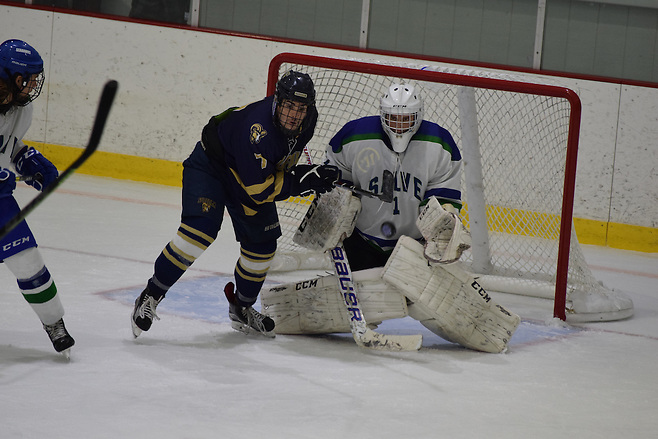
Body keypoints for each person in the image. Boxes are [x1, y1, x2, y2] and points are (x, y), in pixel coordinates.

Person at [131, 70, 341, 338]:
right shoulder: (257, 130)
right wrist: (302, 181)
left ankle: (241, 308)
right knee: (199, 233)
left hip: (250, 174)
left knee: (262, 248)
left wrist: (305, 177)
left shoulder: (308, 121)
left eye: (300, 108)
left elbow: (279, 162)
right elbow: (259, 190)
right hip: (212, 167)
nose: (293, 114)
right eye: (288, 105)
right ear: (277, 101)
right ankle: (151, 294)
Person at [327, 83, 463, 270]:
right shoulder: (354, 136)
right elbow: (335, 177)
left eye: (406, 119)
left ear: (418, 116)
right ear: (382, 115)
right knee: (364, 296)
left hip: (414, 246)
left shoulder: (440, 143)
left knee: (405, 299)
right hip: (362, 240)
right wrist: (337, 208)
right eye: (392, 118)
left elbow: (443, 197)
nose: (398, 125)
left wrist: (443, 222)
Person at [0, 39, 75, 357]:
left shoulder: (22, 109)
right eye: (29, 79)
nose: (33, 85)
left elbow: (6, 146)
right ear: (16, 77)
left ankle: (53, 322)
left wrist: (25, 160)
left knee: (28, 260)